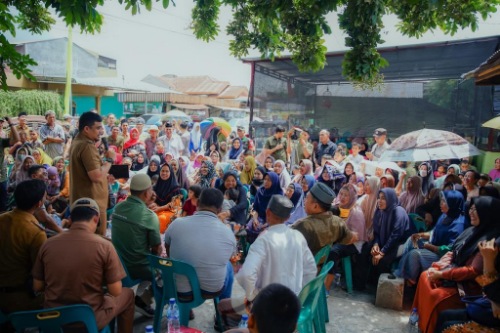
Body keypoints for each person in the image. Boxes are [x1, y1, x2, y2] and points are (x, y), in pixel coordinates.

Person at [32, 198, 135, 333]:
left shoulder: (48, 244)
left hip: (53, 318)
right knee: (128, 295)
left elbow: (37, 286)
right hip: (89, 318)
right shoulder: (105, 246)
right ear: (96, 219)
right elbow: (115, 291)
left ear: (69, 219)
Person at [219, 195, 316, 329]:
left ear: (267, 212)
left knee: (222, 306)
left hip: (267, 307)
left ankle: (246, 328)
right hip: (290, 306)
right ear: (288, 218)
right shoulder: (298, 237)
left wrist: (254, 296)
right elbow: (311, 270)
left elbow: (246, 274)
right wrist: (296, 295)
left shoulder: (264, 239)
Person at [412, 196, 500, 333]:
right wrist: (438, 266)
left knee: (438, 297)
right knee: (425, 276)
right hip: (454, 273)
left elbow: (472, 271)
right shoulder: (471, 231)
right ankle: (421, 323)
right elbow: (454, 251)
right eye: (470, 208)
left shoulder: (490, 241)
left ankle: (429, 328)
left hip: (468, 286)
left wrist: (442, 274)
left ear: (487, 213)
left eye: (476, 209)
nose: (471, 212)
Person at [165, 188, 236, 301]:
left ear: (197, 203)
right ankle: (223, 309)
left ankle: (186, 309)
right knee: (228, 266)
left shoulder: (177, 224)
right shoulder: (227, 232)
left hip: (181, 291)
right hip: (212, 290)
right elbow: (229, 256)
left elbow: (168, 247)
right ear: (219, 209)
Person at [111, 174, 160, 317]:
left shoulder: (119, 207)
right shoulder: (149, 216)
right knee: (165, 273)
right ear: (147, 193)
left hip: (118, 266)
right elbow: (156, 248)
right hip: (138, 268)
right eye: (151, 190)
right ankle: (142, 300)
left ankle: (139, 297)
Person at [396, 190, 465, 285]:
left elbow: (451, 249)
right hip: (434, 246)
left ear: (452, 204)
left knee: (414, 254)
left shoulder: (458, 224)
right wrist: (422, 235)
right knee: (412, 240)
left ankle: (411, 281)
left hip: (442, 256)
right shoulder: (445, 216)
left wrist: (430, 247)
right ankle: (403, 273)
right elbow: (435, 232)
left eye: (444, 201)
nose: (441, 203)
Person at [0, 179, 47, 315]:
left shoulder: (2, 219)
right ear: (39, 203)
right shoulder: (35, 232)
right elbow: (39, 274)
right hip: (21, 301)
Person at [436, 237, 500, 333]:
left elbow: (496, 309)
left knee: (448, 327)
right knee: (444, 315)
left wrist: (488, 262)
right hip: (489, 305)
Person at [69, 111, 115, 236]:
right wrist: (109, 160)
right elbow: (96, 176)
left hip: (82, 203)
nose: (101, 131)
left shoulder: (77, 142)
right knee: (95, 243)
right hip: (92, 206)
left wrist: (105, 174)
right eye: (98, 128)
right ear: (86, 129)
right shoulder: (86, 146)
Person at [292, 182, 357, 256]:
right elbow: (351, 238)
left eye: (306, 198)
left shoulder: (303, 225)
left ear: (315, 206)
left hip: (304, 265)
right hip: (321, 263)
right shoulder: (338, 222)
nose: (304, 201)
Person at [366, 188, 411, 284]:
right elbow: (377, 232)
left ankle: (381, 288)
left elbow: (396, 235)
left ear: (390, 199)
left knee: (383, 260)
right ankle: (362, 284)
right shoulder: (380, 211)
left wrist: (382, 252)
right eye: (379, 198)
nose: (379, 201)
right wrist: (376, 244)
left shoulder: (398, 211)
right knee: (367, 249)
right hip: (386, 241)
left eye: (383, 198)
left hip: (400, 244)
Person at [1, 117, 20, 212]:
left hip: (1, 176)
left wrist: (11, 124)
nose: (0, 124)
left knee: (3, 203)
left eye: (1, 123)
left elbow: (17, 140)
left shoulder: (1, 141)